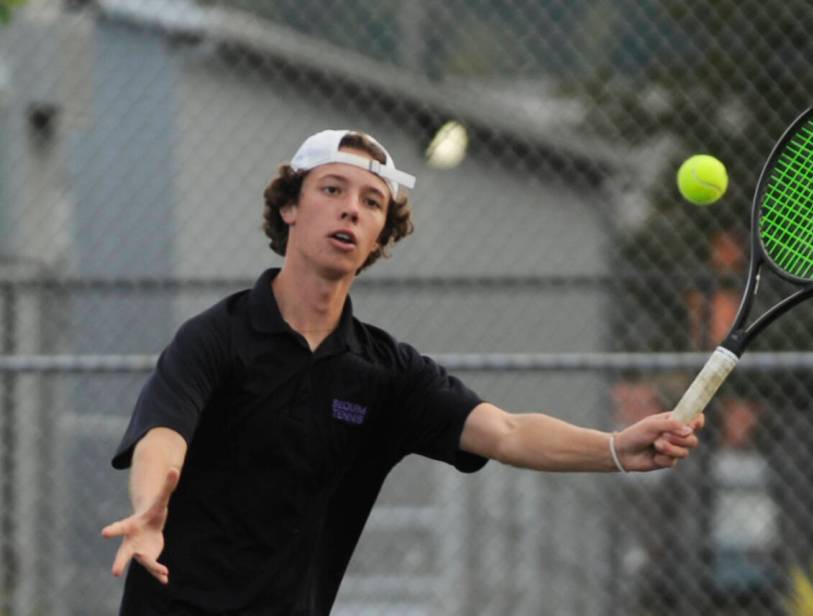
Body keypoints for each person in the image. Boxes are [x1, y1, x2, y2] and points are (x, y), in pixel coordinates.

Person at [101, 129, 706, 615]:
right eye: (332, 190)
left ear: (379, 238)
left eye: (371, 203)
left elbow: (507, 431)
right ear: (289, 205)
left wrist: (617, 448)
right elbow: (164, 432)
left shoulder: (385, 372)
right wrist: (152, 502)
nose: (351, 211)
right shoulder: (216, 336)